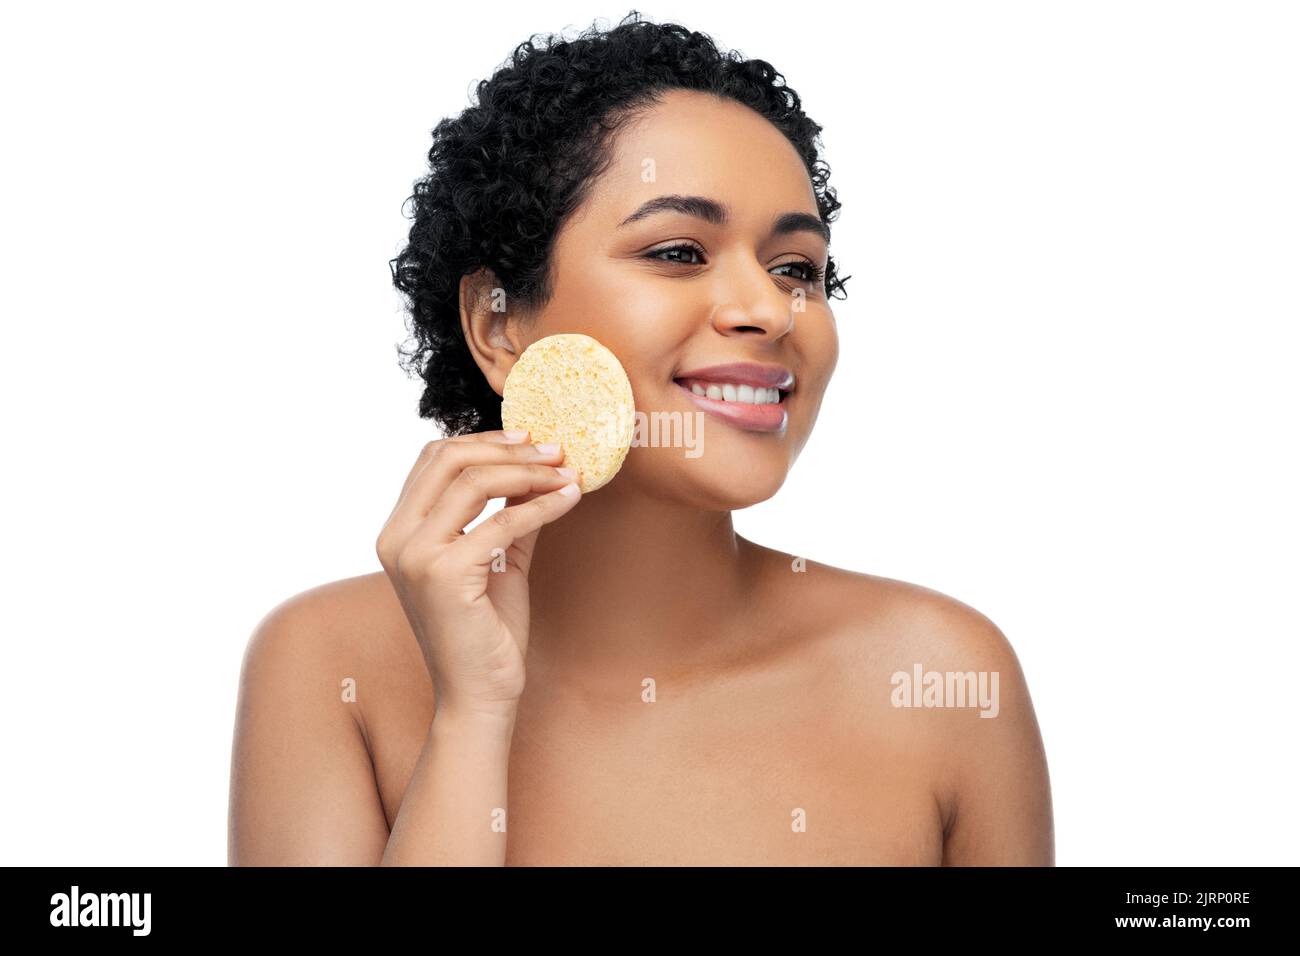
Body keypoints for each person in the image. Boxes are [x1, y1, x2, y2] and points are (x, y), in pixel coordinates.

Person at [227, 10, 1053, 866]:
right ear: (499, 325)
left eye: (798, 269)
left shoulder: (945, 678)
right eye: (678, 252)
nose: (771, 311)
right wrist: (472, 716)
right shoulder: (325, 665)